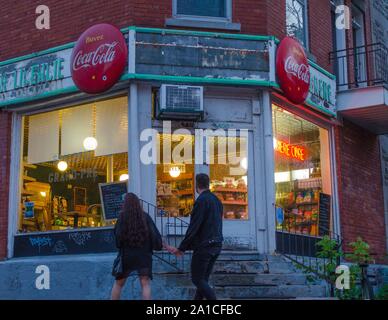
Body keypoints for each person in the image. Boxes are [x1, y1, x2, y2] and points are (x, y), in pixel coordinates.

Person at [110, 192, 172, 300]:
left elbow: (117, 239)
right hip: (143, 256)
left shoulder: (122, 218)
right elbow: (155, 235)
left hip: (127, 256)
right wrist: (158, 246)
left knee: (119, 284)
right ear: (138, 203)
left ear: (125, 204)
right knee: (145, 284)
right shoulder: (145, 217)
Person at [172, 173, 223, 300]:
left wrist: (182, 248)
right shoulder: (217, 200)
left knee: (197, 279)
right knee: (203, 280)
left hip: (204, 246)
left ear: (197, 185)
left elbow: (194, 227)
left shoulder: (201, 201)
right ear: (208, 183)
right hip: (216, 244)